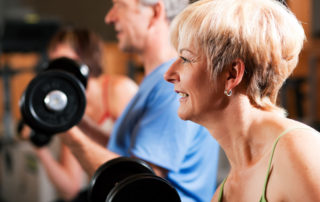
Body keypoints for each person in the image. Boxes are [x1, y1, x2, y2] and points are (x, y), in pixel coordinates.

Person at [60, 0, 221, 201]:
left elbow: (137, 185)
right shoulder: (156, 81)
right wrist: (79, 125)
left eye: (120, 6)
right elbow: (126, 154)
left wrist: (68, 133)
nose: (109, 17)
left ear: (155, 13)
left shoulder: (171, 86)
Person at [164, 0, 320, 201]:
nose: (168, 74)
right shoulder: (223, 192)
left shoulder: (299, 151)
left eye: (186, 59)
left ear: (232, 74)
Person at [21, 27, 139, 202]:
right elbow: (70, 188)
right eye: (54, 64)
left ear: (87, 60)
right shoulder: (68, 108)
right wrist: (40, 148)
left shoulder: (118, 91)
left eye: (66, 62)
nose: (59, 72)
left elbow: (140, 167)